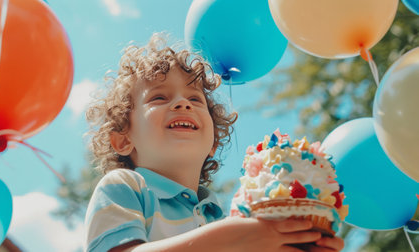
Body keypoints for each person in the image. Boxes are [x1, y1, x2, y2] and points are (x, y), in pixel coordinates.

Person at [84, 33, 345, 252]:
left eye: (195, 99)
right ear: (123, 141)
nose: (182, 103)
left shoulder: (219, 214)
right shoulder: (124, 187)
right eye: (159, 98)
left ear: (213, 142)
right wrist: (229, 238)